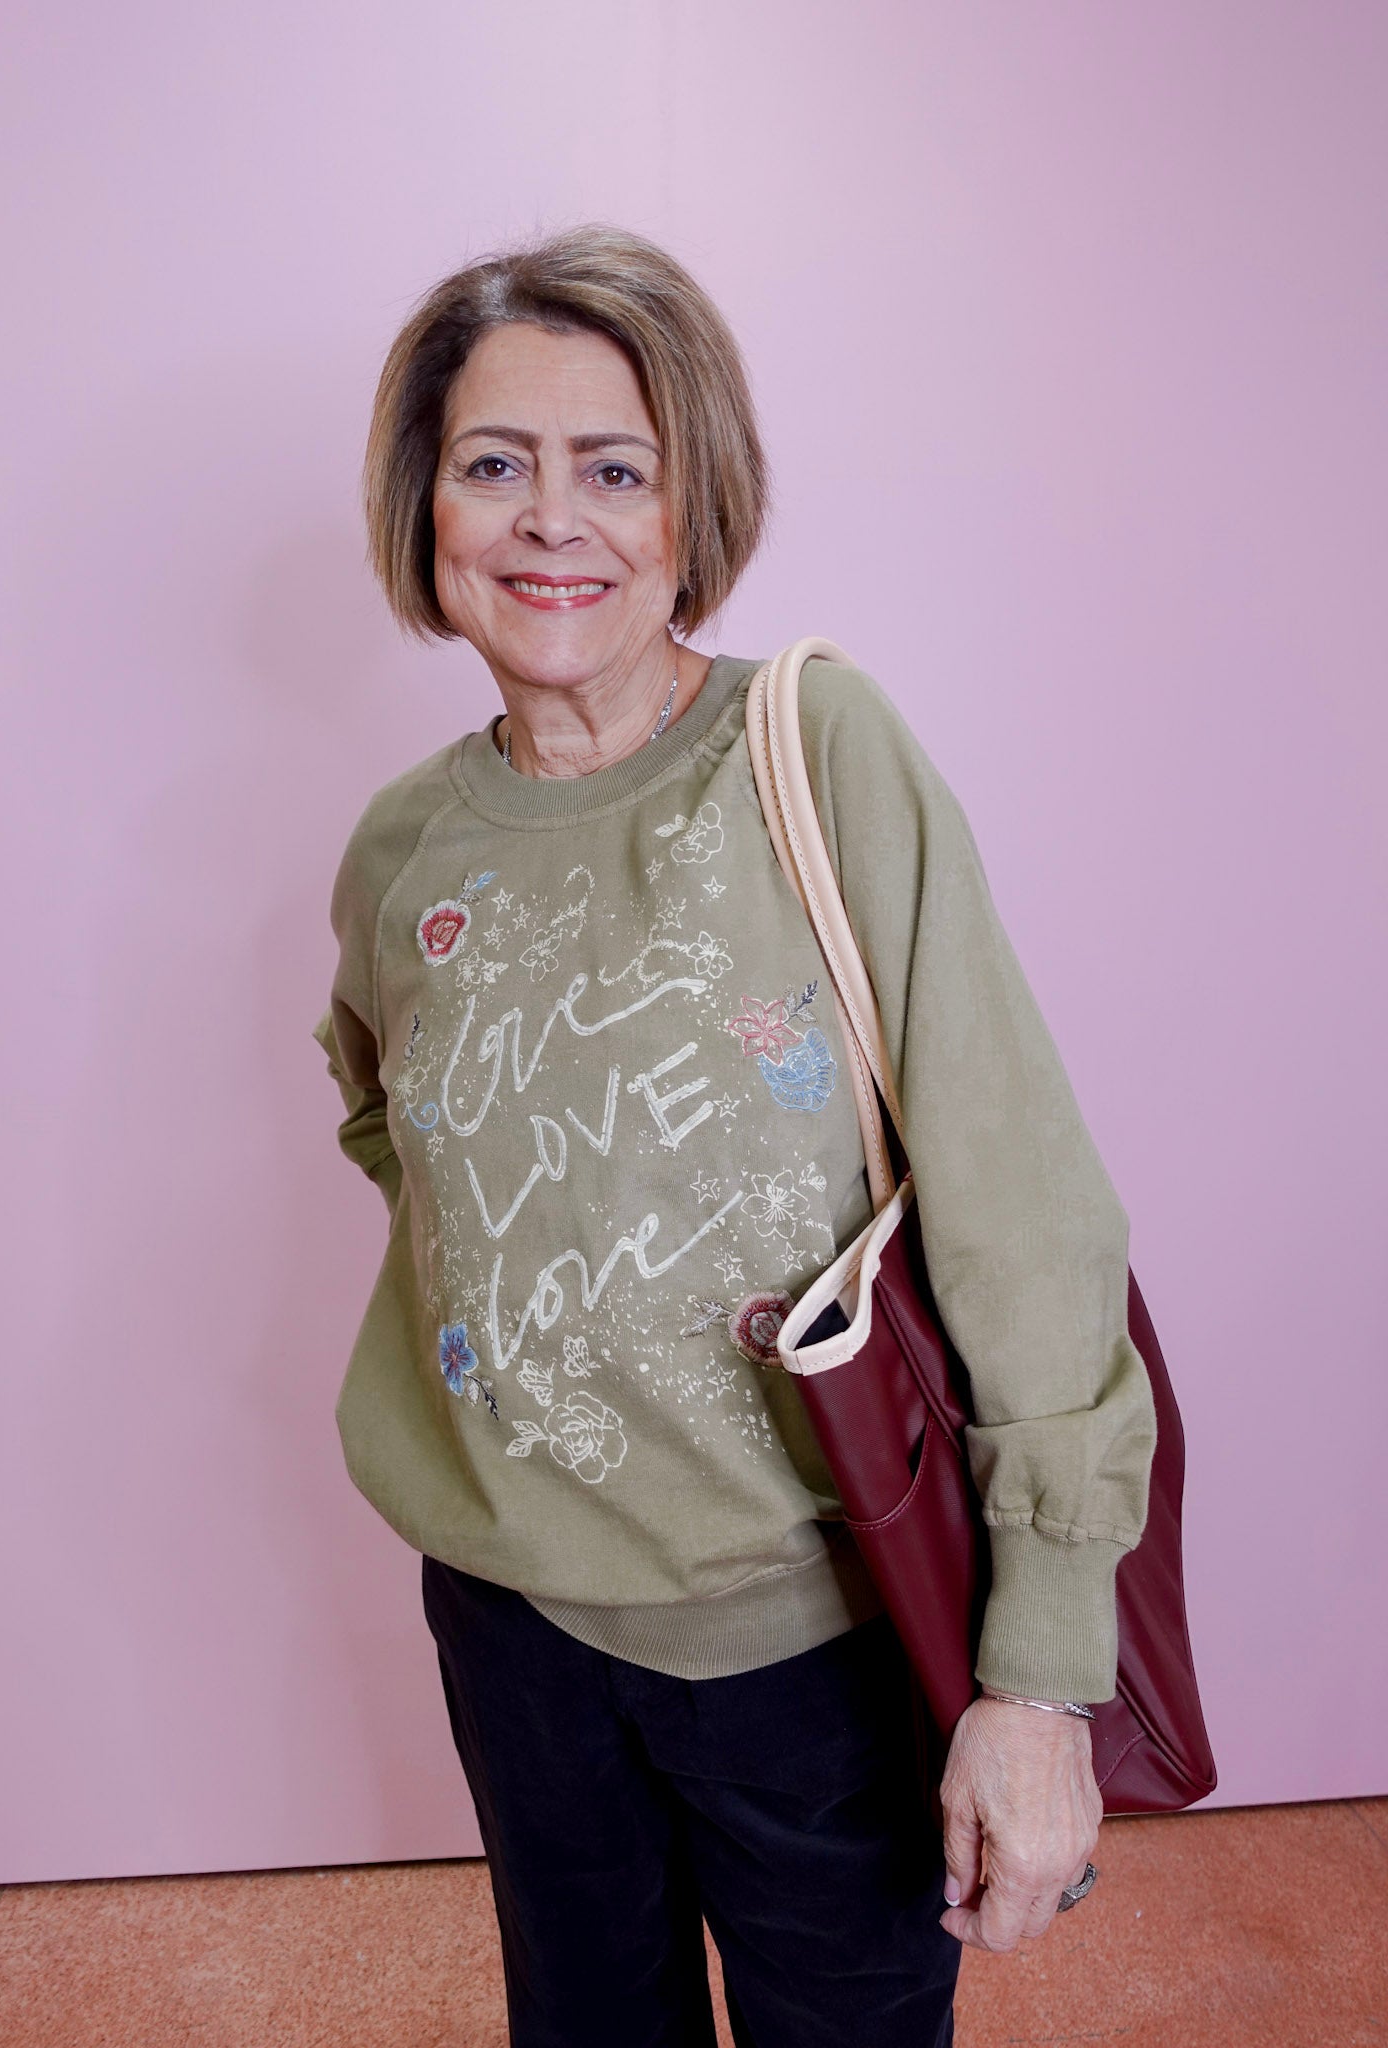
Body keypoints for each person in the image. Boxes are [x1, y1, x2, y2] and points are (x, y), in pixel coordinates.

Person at [313, 224, 1154, 2048]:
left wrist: (1038, 1677)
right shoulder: (402, 850)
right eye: (494, 466)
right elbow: (393, 1115)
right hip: (513, 1626)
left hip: (812, 1647)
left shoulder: (811, 745)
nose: (554, 521)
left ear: (692, 510)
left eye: (616, 470)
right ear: (425, 505)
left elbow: (1016, 1197)